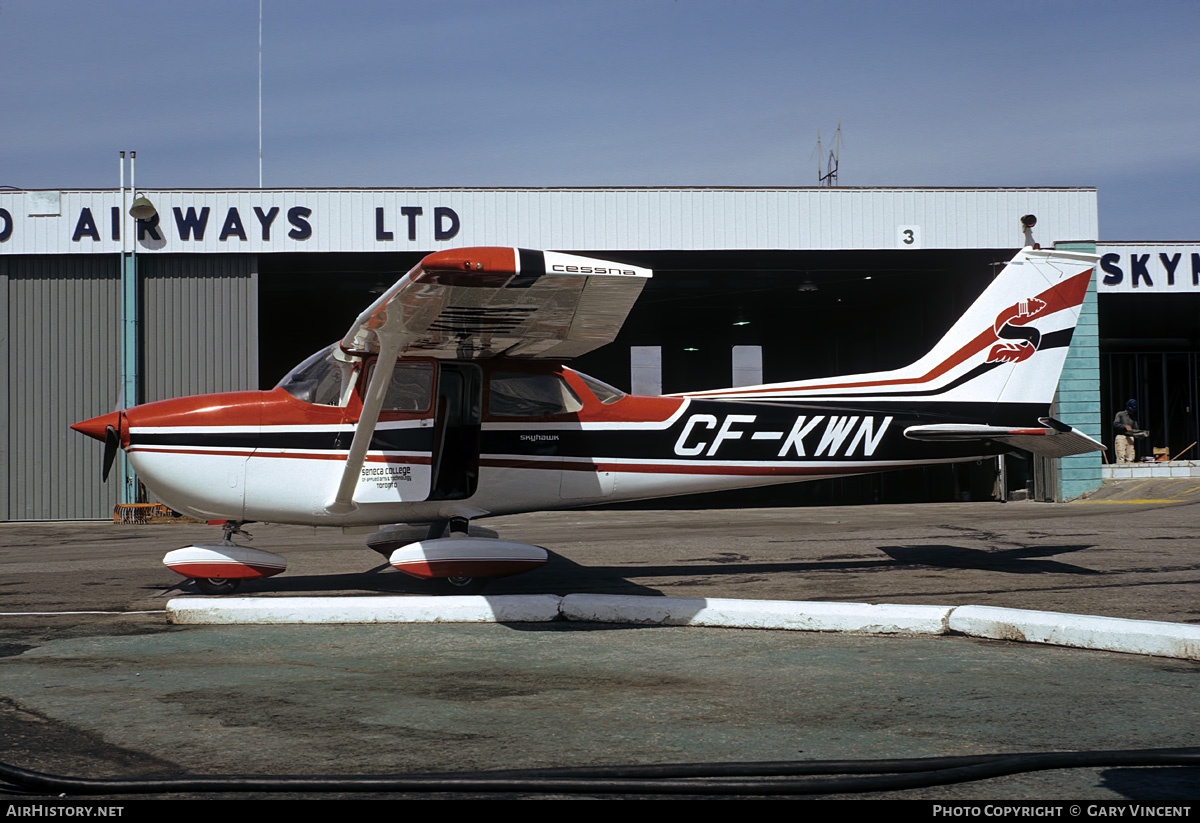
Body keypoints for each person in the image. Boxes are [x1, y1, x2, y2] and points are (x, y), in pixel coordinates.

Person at [1113, 399, 1141, 463]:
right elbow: (1115, 424)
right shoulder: (1120, 414)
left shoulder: (1133, 417)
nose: (1131, 412)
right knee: (1121, 456)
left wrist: (1139, 434)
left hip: (1130, 437)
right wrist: (1124, 426)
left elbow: (1136, 428)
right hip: (1121, 437)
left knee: (1130, 457)